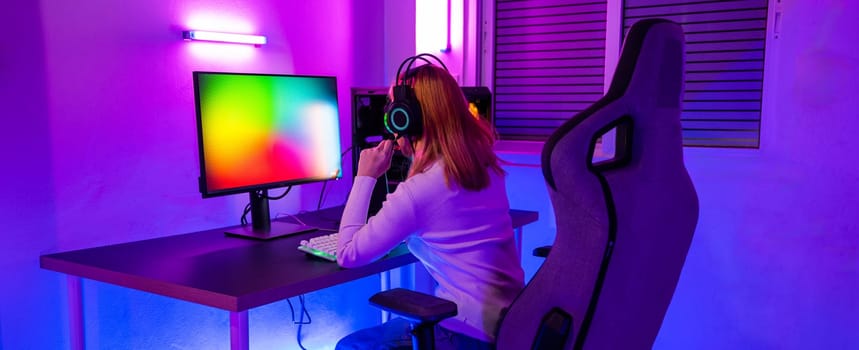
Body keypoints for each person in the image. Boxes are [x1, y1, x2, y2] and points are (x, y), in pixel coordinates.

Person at [335, 57, 525, 349]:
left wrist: (364, 176)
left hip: (466, 333)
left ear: (406, 118)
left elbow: (348, 255)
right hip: (510, 327)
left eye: (392, 110)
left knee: (351, 345)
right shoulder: (485, 168)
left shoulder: (421, 190)